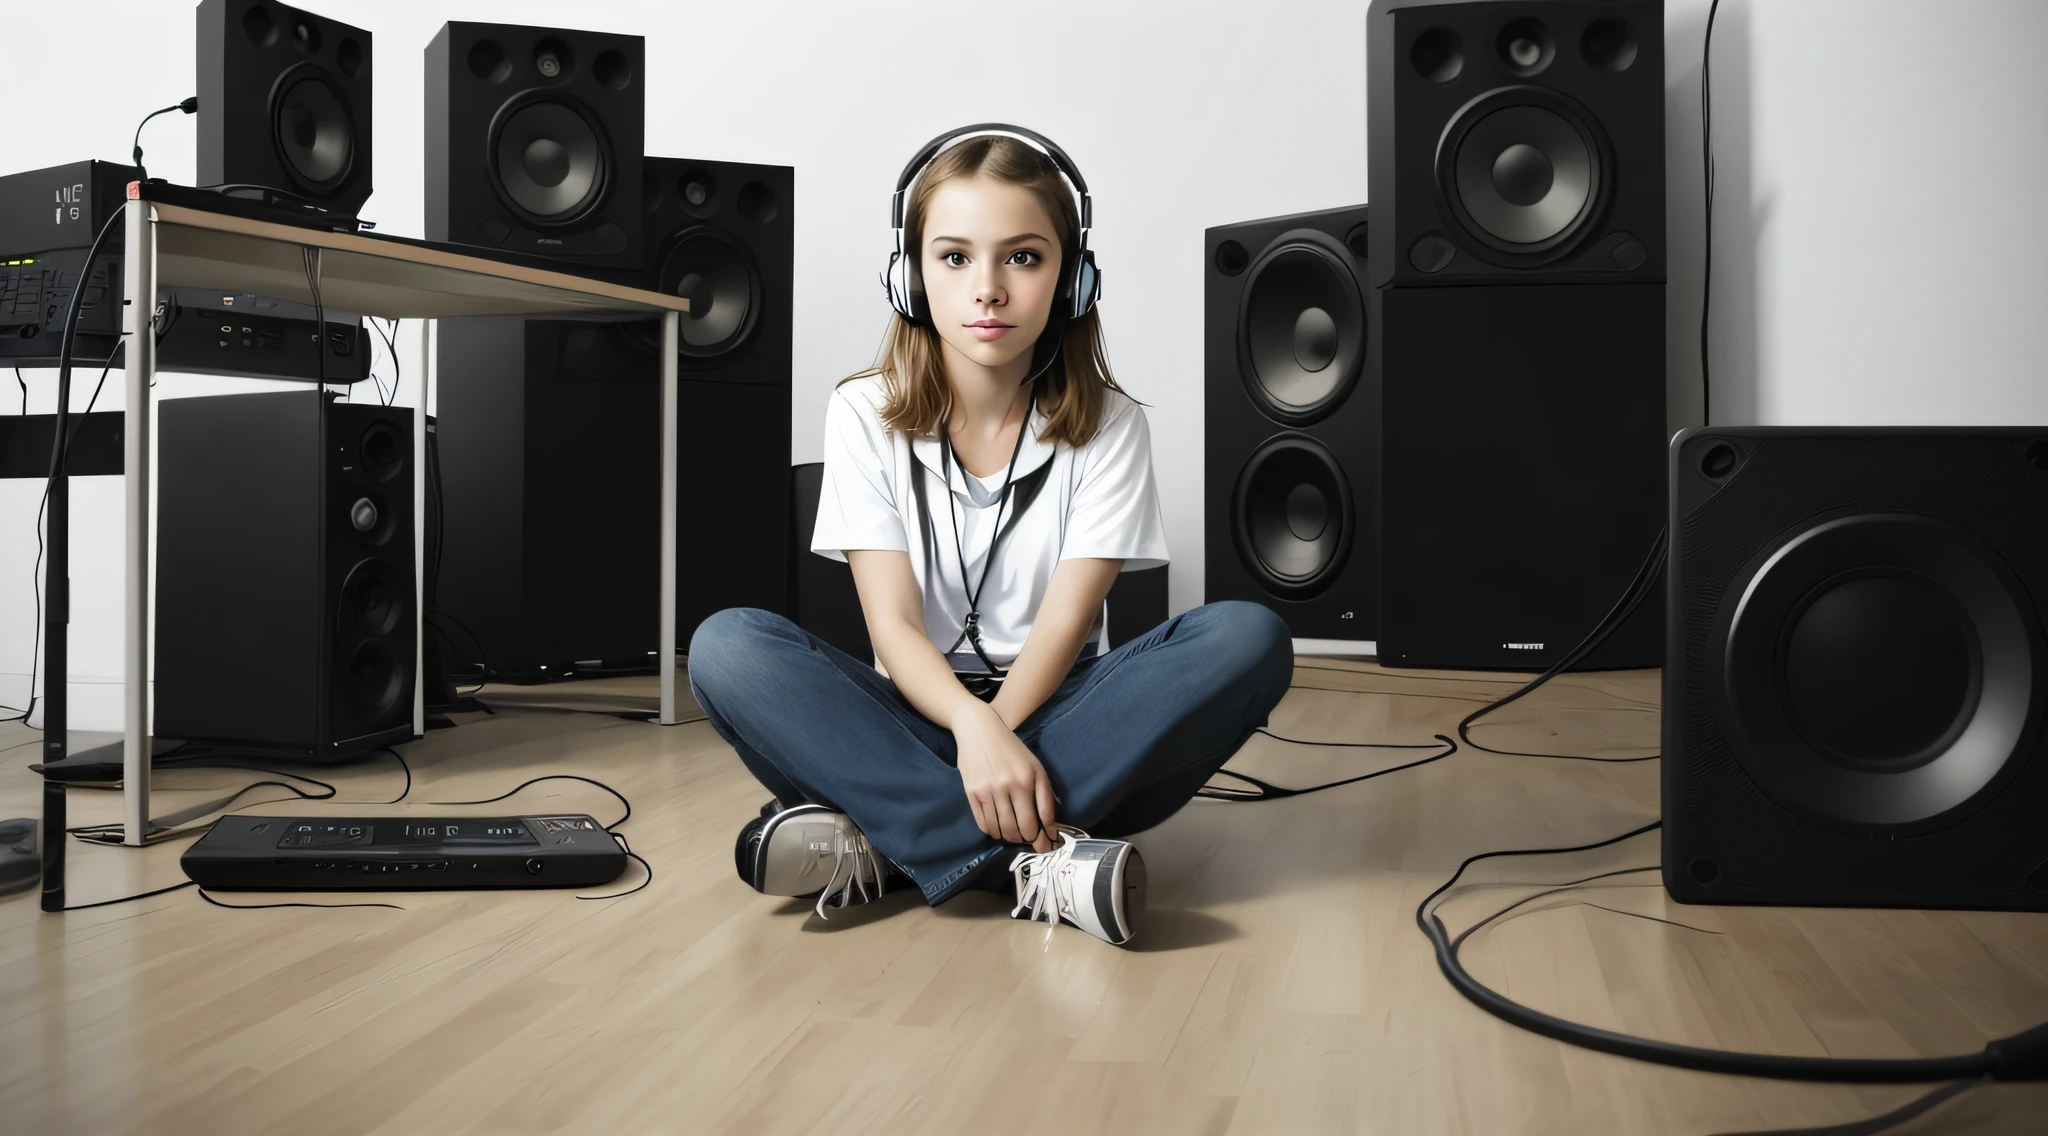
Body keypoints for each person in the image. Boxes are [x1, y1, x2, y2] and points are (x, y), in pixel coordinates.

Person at [687, 125, 1292, 947]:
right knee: (729, 646)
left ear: (1073, 280)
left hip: (1065, 718)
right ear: (909, 277)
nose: (988, 290)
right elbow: (892, 628)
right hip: (911, 712)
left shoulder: (1112, 426)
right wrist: (970, 735)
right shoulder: (862, 412)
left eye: (1024, 257)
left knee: (1247, 635)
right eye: (955, 257)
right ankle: (1038, 859)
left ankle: (891, 838)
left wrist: (999, 730)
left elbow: (1065, 624)